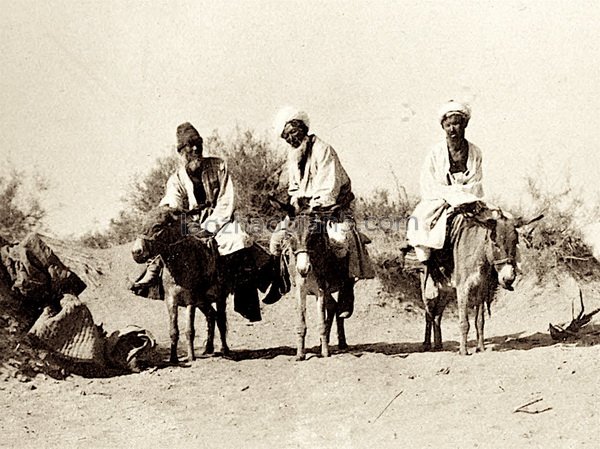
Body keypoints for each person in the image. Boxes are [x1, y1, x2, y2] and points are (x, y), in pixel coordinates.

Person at [133, 122, 269, 321]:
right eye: (189, 145)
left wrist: (210, 227)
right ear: (181, 151)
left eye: (197, 143)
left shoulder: (219, 166)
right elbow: (172, 205)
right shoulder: (176, 179)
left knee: (239, 240)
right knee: (166, 241)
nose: (195, 149)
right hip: (189, 225)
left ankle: (242, 295)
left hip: (220, 221)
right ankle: (154, 274)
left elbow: (226, 199)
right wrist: (186, 223)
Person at [265, 107, 374, 317]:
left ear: (302, 128)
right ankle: (280, 282)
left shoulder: (323, 150)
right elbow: (294, 187)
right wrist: (295, 203)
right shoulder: (293, 155)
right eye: (286, 137)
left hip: (330, 208)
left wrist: (314, 205)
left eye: (292, 133)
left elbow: (329, 186)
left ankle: (346, 289)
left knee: (342, 240)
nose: (290, 139)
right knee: (277, 239)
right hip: (304, 211)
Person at [406, 100, 484, 297]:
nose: (452, 129)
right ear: (443, 127)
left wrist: (463, 196)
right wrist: (452, 195)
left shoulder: (475, 152)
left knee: (498, 221)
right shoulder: (435, 153)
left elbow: (476, 181)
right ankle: (429, 271)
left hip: (469, 198)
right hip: (439, 198)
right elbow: (428, 183)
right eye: (448, 125)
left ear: (464, 124)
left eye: (456, 123)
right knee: (420, 223)